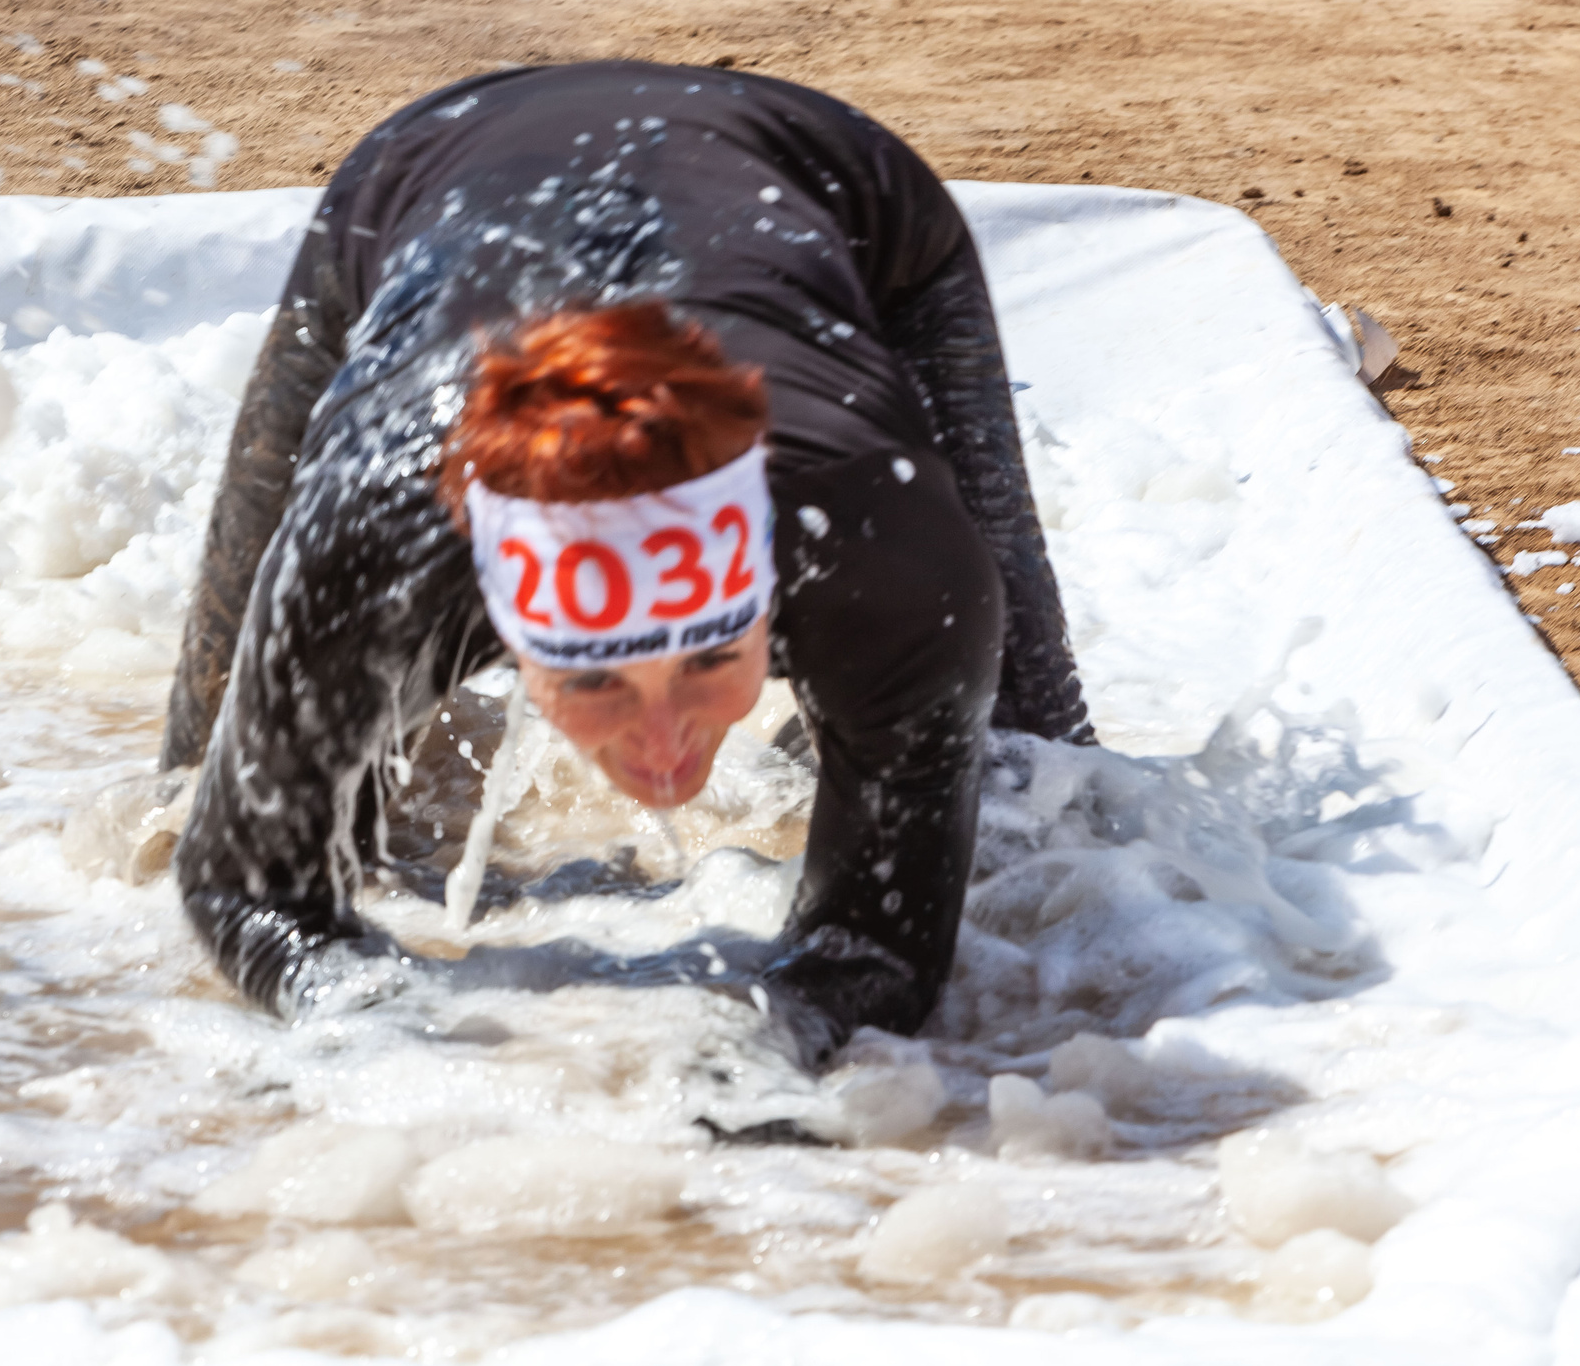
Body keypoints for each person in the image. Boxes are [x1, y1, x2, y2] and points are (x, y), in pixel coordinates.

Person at [159, 59, 1090, 1059]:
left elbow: (880, 949)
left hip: (837, 185)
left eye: (706, 663)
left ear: (764, 594)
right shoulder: (372, 543)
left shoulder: (876, 537)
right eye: (595, 677)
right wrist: (382, 1032)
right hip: (433, 166)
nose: (660, 749)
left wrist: (778, 1046)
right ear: (497, 608)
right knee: (203, 775)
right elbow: (240, 890)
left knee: (1030, 781)